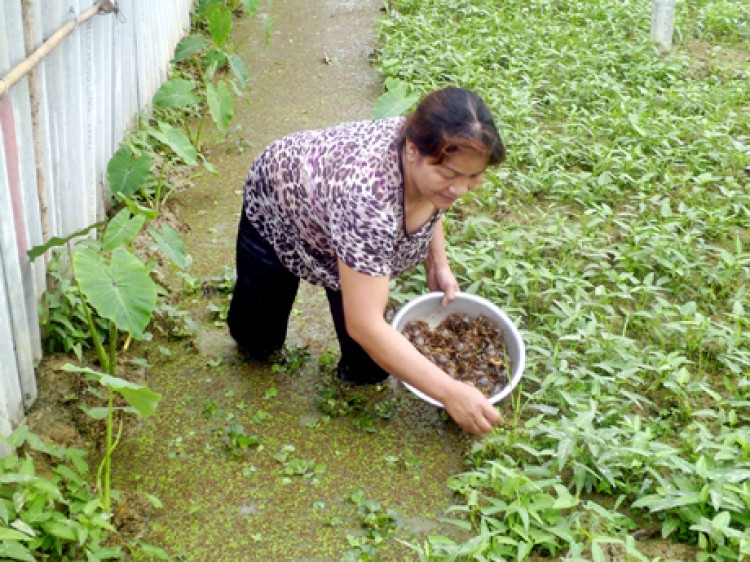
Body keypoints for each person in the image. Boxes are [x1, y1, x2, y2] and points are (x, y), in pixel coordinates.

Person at [228, 87, 506, 435]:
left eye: (473, 177)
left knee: (370, 369)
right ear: (412, 150)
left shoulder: (431, 154)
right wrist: (451, 392)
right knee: (257, 341)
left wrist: (438, 264)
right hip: (280, 201)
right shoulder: (369, 198)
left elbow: (437, 200)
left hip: (343, 227)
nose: (460, 189)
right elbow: (364, 324)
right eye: (450, 175)